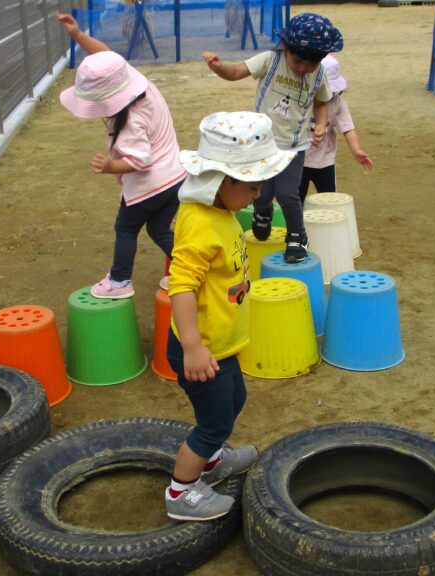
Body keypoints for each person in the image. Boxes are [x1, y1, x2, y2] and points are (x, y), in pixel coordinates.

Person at [164, 111, 296, 521]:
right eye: (252, 185)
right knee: (213, 423)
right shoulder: (201, 223)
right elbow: (180, 286)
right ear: (220, 181)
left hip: (222, 345)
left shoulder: (220, 212)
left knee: (234, 400)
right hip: (201, 350)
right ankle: (180, 493)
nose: (259, 194)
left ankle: (212, 462)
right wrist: (193, 347)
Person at [57, 13, 186, 299]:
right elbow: (105, 55)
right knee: (158, 228)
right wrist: (78, 36)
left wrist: (110, 166)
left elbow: (140, 160)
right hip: (176, 176)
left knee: (125, 228)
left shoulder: (130, 121)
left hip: (149, 185)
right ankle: (190, 269)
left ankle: (119, 281)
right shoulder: (140, 84)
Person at [203, 13, 344, 263]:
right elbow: (236, 72)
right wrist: (218, 67)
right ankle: (263, 212)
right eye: (297, 60)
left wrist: (321, 124)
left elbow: (323, 102)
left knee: (289, 193)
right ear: (285, 47)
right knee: (262, 193)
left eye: (310, 64)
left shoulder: (319, 74)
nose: (302, 68)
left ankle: (297, 236)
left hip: (294, 147)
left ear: (321, 59)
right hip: (262, 145)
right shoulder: (270, 60)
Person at [299, 54, 373, 202]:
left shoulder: (338, 102)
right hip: (299, 160)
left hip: (325, 160)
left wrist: (355, 149)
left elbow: (348, 127)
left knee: (330, 200)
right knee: (295, 200)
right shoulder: (299, 99)